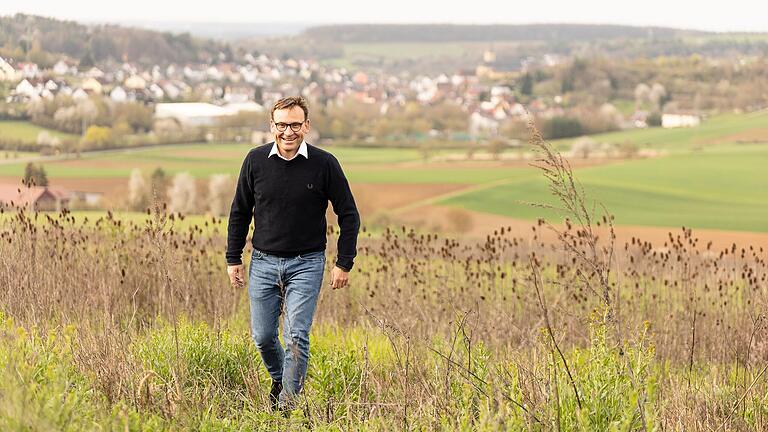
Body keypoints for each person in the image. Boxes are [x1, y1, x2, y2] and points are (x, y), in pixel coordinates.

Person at [226, 96, 360, 412]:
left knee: (297, 336)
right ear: (272, 126)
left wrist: (344, 262)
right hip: (263, 261)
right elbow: (240, 211)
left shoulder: (325, 163)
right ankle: (282, 380)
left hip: (307, 263)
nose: (289, 132)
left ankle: (287, 407)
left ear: (306, 126)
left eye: (295, 125)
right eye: (282, 125)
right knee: (262, 336)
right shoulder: (255, 161)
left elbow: (349, 214)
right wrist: (234, 258)